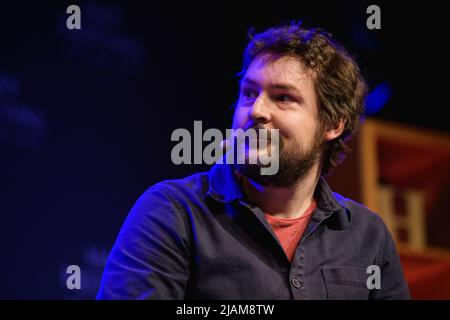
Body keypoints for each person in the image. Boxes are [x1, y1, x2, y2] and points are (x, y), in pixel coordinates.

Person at [97, 22, 410, 300]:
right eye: (249, 93)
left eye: (283, 97)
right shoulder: (174, 212)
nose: (257, 110)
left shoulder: (368, 236)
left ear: (333, 125)